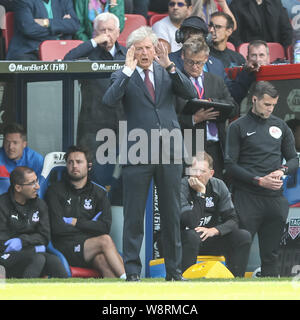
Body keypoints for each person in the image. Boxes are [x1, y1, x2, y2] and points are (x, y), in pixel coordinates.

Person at [102, 26, 197, 281]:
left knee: (171, 215)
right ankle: (133, 272)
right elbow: (109, 100)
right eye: (139, 48)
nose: (145, 52)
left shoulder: (167, 72)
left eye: (148, 47)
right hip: (138, 152)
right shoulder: (123, 74)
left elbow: (190, 94)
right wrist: (128, 69)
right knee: (134, 216)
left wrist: (171, 67)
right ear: (132, 51)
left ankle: (174, 273)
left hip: (169, 152)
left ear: (156, 49)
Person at [224, 81, 299, 277]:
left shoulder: (280, 126)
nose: (270, 109)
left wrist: (282, 170)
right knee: (240, 249)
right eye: (267, 104)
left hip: (275, 198)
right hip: (247, 197)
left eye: (273, 105)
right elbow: (230, 165)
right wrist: (258, 180)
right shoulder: (237, 126)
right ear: (254, 100)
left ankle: (269, 292)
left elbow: (293, 159)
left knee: (271, 254)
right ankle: (233, 291)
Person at [64, 12, 126, 205]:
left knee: (121, 177)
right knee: (90, 175)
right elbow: (67, 60)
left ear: (118, 32)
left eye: (110, 30)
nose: (106, 34)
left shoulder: (127, 54)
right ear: (94, 33)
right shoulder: (88, 55)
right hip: (92, 128)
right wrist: (93, 42)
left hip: (121, 126)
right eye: (102, 30)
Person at [45, 145, 126, 279]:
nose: (74, 166)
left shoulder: (99, 193)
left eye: (79, 162)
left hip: (90, 247)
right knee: (105, 241)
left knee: (102, 260)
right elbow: (57, 227)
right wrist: (90, 226)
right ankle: (130, 280)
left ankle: (118, 294)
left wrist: (75, 222)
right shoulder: (55, 191)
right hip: (65, 247)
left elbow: (105, 227)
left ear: (89, 166)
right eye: (70, 162)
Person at [180, 152, 251, 277]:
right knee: (192, 236)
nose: (197, 174)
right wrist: (201, 193)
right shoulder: (182, 186)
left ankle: (236, 280)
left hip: (207, 237)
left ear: (211, 173)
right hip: (184, 239)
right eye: (194, 170)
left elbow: (233, 220)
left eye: (202, 171)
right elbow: (191, 223)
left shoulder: (218, 185)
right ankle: (185, 279)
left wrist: (214, 230)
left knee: (243, 236)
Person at [177, 36, 237, 179]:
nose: (194, 67)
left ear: (206, 58)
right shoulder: (176, 82)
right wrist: (193, 119)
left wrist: (213, 103)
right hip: (190, 147)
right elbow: (170, 117)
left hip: (216, 146)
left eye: (199, 62)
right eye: (190, 62)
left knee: (216, 189)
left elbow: (234, 108)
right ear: (182, 56)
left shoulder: (216, 80)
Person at [0, 166, 68, 278]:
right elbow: (4, 243)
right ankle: (25, 293)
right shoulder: (2, 205)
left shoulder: (40, 205)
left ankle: (68, 294)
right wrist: (33, 245)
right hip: (5, 257)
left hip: (31, 250)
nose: (37, 186)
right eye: (32, 183)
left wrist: (22, 241)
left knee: (54, 261)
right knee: (38, 258)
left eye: (36, 180)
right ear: (18, 187)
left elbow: (45, 236)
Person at [6, 0, 80, 60]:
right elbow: (29, 29)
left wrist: (46, 22)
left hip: (60, 50)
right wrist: (61, 28)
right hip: (30, 51)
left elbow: (74, 25)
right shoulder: (23, 1)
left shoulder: (64, 1)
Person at [229, 0, 293, 49]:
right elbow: (234, 36)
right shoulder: (237, 5)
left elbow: (287, 31)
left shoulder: (275, 2)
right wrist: (245, 52)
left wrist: (283, 51)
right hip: (250, 54)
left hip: (274, 52)